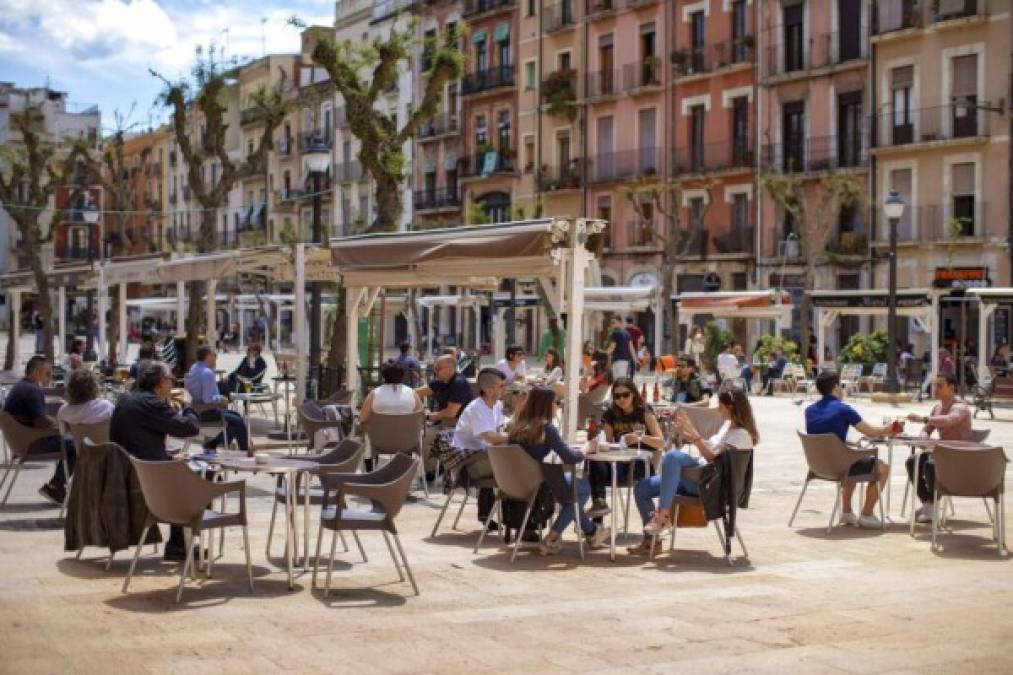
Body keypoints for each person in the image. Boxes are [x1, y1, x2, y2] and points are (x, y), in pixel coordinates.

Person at [628, 388, 759, 554]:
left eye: (721, 406)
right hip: (700, 476)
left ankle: (662, 515)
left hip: (711, 485)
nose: (718, 410)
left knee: (673, 457)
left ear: (731, 407)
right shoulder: (727, 427)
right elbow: (710, 449)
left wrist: (695, 435)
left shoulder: (742, 435)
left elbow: (711, 456)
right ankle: (652, 541)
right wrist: (689, 434)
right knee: (643, 488)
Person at [110, 360, 200, 561]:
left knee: (185, 468)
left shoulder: (126, 399)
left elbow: (137, 440)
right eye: (171, 379)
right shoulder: (152, 404)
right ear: (160, 382)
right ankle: (180, 544)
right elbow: (189, 428)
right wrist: (187, 405)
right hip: (144, 477)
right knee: (198, 479)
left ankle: (181, 543)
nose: (173, 384)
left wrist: (166, 457)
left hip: (126, 470)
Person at [507, 385, 611, 555]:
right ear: (547, 404)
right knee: (582, 488)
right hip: (543, 487)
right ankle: (552, 538)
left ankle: (592, 531)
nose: (558, 405)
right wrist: (586, 447)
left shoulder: (516, 428)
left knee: (573, 493)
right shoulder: (545, 428)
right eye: (557, 402)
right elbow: (572, 458)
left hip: (516, 485)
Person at [804, 371, 896, 528]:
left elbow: (825, 435)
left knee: (850, 457)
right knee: (883, 468)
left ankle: (846, 512)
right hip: (839, 467)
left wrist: (847, 443)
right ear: (836, 387)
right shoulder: (843, 409)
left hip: (818, 466)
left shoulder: (809, 410)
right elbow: (871, 432)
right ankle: (867, 514)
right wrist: (889, 428)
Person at [2, 356, 76, 505]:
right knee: (74, 445)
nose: (50, 377)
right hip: (30, 443)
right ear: (36, 373)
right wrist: (64, 426)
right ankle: (56, 487)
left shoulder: (21, 387)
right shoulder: (33, 390)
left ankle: (56, 485)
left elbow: (36, 419)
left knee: (67, 439)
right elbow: (40, 422)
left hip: (19, 442)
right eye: (47, 373)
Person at [588, 378, 666, 517]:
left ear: (633, 394)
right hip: (618, 463)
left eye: (625, 394)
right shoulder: (610, 414)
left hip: (639, 464)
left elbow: (661, 443)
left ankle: (597, 520)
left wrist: (640, 438)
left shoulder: (644, 412)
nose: (621, 399)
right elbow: (608, 443)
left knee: (597, 470)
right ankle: (599, 505)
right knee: (593, 460)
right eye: (617, 396)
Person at [903, 373, 973, 523]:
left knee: (931, 465)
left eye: (940, 386)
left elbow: (949, 420)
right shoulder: (937, 407)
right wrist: (924, 437)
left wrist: (923, 418)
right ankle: (928, 502)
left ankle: (932, 505)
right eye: (934, 385)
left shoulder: (961, 407)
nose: (935, 389)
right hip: (942, 454)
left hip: (960, 458)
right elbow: (927, 429)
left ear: (951, 388)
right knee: (912, 462)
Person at [453, 368, 510, 530]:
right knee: (514, 467)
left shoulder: (497, 405)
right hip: (468, 464)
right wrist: (516, 437)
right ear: (487, 389)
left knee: (515, 462)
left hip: (485, 456)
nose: (504, 389)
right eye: (501, 386)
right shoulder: (476, 408)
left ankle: (512, 518)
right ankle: (515, 519)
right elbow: (492, 438)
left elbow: (500, 432)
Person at [183, 345, 249, 452]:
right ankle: (244, 451)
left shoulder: (194, 368)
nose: (216, 358)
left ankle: (214, 444)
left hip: (196, 411)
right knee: (238, 422)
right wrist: (221, 399)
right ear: (208, 356)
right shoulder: (207, 373)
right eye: (214, 355)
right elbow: (208, 399)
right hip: (207, 412)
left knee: (237, 417)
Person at [359, 359, 423, 424]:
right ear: (402, 375)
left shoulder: (374, 394)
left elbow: (362, 418)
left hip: (379, 433)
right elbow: (421, 417)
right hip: (407, 433)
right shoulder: (412, 393)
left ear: (383, 376)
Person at [415, 354, 473, 424]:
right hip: (444, 423)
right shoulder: (440, 381)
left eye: (438, 369)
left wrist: (427, 416)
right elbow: (417, 392)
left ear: (450, 369)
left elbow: (450, 413)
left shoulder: (459, 383)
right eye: (435, 368)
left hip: (459, 426)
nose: (435, 371)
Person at [57, 369, 115, 438]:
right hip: (105, 447)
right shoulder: (107, 406)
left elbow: (63, 433)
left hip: (78, 447)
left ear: (70, 389)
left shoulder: (63, 411)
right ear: (94, 387)